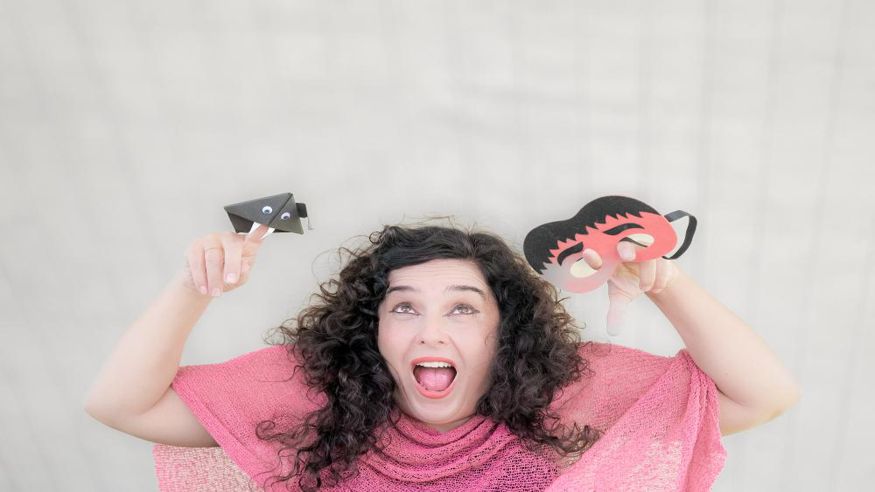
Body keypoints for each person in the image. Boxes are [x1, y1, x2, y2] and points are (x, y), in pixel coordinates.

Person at [85, 220, 800, 491]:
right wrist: (191, 287)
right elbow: (122, 404)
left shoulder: (572, 394)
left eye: (461, 307)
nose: (430, 332)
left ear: (502, 330)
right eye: (404, 308)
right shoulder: (314, 400)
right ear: (374, 331)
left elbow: (758, 395)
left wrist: (666, 282)